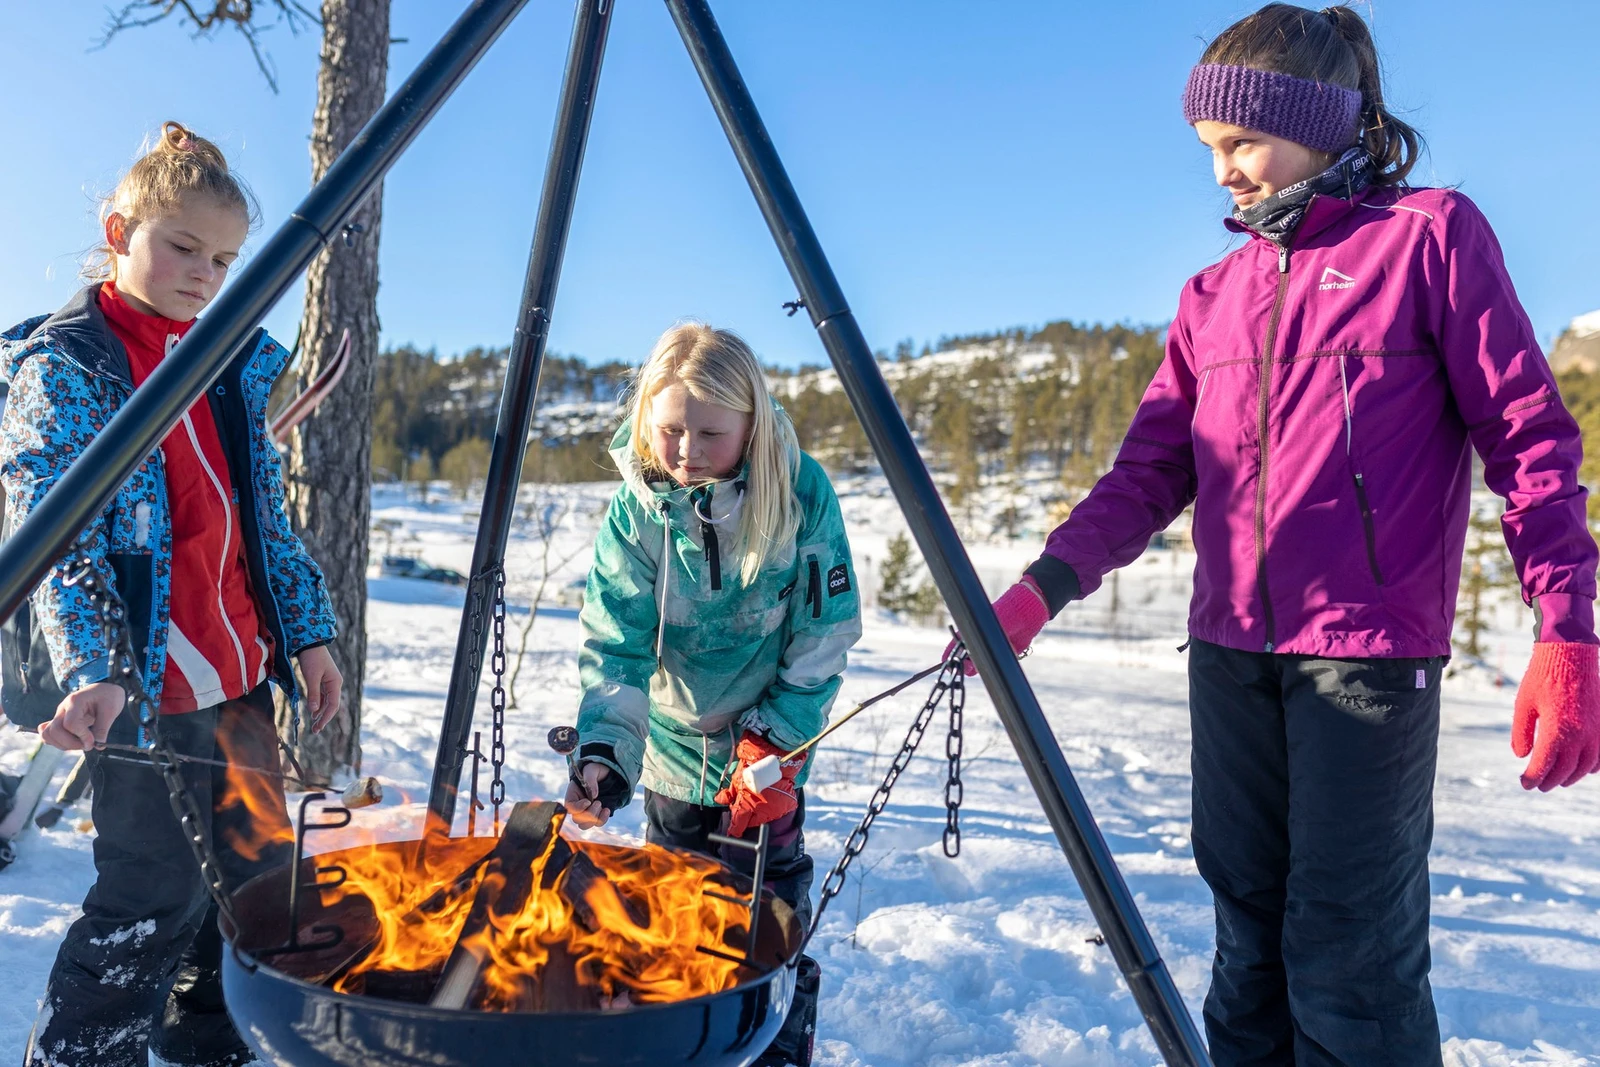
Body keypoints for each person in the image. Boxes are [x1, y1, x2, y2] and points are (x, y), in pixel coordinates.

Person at [971, 6, 1600, 1065]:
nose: (1221, 174)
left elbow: (1526, 435)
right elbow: (1148, 472)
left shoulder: (1427, 239)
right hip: (1228, 658)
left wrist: (1565, 625)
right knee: (1247, 944)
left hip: (1365, 660)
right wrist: (1042, 586)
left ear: (1316, 120)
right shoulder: (1210, 297)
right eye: (1208, 151)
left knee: (1349, 957)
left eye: (1237, 144)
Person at [0, 121, 341, 1067]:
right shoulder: (68, 367)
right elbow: (57, 541)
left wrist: (306, 634)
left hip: (236, 674)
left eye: (223, 258)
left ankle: (208, 1046)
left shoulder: (224, 363)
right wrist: (95, 665)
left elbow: (265, 523)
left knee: (251, 885)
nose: (203, 273)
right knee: (150, 895)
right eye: (181, 245)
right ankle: (83, 1054)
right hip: (144, 684)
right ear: (120, 231)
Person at [563, 322, 862, 1067]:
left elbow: (823, 631)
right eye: (671, 430)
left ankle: (779, 1045)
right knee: (675, 924)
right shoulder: (637, 509)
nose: (689, 450)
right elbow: (616, 645)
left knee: (763, 927)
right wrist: (605, 751)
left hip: (766, 761)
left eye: (710, 431)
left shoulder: (799, 492)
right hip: (669, 753)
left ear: (752, 426)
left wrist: (776, 743)